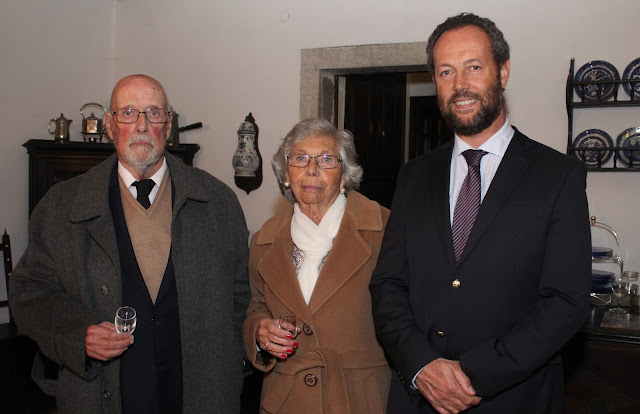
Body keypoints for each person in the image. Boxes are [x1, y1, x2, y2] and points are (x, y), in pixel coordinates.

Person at [370, 13, 591, 414]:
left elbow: (565, 303)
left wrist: (475, 374)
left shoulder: (558, 176)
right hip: (418, 398)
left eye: (474, 67)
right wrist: (421, 366)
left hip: (513, 398)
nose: (460, 85)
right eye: (446, 72)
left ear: (502, 72)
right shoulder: (414, 175)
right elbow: (388, 284)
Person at [9, 74, 250, 413]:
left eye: (153, 113)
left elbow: (242, 294)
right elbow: (29, 291)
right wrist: (78, 333)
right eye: (127, 113)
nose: (141, 125)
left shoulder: (218, 203)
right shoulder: (62, 206)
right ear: (109, 126)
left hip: (200, 391)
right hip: (101, 392)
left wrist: (231, 360)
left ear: (167, 125)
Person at [242, 118, 392, 413]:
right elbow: (256, 307)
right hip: (286, 401)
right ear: (286, 173)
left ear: (344, 175)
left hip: (359, 399)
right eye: (300, 158)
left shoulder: (385, 230)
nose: (311, 169)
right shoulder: (263, 241)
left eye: (326, 159)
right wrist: (260, 332)